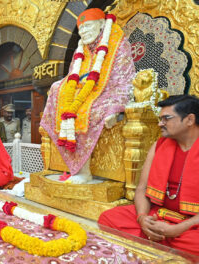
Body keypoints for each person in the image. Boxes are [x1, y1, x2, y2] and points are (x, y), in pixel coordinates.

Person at [40, 8, 135, 183]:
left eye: (88, 26)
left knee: (87, 111)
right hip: (82, 91)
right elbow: (72, 77)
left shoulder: (117, 41)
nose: (84, 32)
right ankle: (71, 166)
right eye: (81, 29)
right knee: (56, 88)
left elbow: (123, 77)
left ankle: (83, 172)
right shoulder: (82, 48)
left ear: (100, 24)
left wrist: (115, 106)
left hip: (110, 90)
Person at [98, 95, 199, 256]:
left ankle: (160, 243)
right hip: (158, 215)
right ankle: (166, 244)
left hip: (192, 224)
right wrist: (142, 219)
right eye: (160, 119)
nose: (160, 124)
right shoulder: (159, 146)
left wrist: (177, 229)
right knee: (109, 218)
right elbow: (142, 188)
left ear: (189, 120)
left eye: (166, 118)